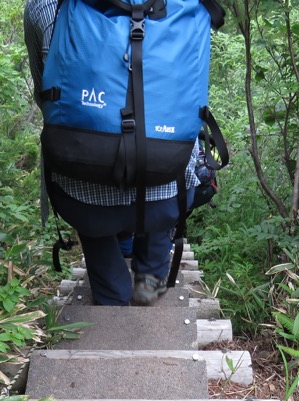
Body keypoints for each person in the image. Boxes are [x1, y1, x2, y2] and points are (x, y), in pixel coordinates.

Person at [24, 0, 199, 307]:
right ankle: (150, 277)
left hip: (82, 183)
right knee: (164, 169)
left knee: (92, 195)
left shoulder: (45, 4)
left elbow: (47, 95)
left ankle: (112, 296)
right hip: (167, 181)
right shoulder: (183, 4)